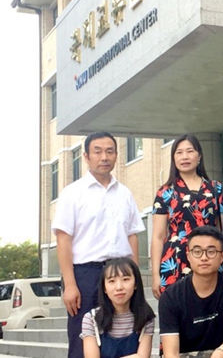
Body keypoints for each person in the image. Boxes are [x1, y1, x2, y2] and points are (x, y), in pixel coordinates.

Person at [52, 131, 145, 358]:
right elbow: (63, 240)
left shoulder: (125, 194)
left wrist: (134, 276)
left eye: (110, 151)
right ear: (86, 156)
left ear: (116, 156)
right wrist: (70, 285)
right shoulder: (72, 193)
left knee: (124, 337)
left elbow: (132, 236)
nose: (104, 157)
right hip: (86, 276)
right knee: (82, 341)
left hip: (121, 273)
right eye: (98, 152)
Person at [159, 226, 223, 358]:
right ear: (188, 256)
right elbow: (171, 353)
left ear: (222, 257)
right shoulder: (171, 296)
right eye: (197, 251)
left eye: (211, 252)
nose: (204, 257)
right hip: (186, 355)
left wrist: (221, 352)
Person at [152, 134, 223, 298]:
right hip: (175, 260)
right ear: (173, 158)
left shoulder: (215, 189)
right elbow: (158, 236)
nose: (184, 157)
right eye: (179, 152)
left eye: (190, 151)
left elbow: (222, 230)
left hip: (209, 257)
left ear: (199, 156)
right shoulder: (165, 192)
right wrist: (156, 275)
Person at [81, 257, 155, 358]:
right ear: (104, 288)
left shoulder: (145, 317)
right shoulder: (91, 319)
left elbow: (143, 356)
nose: (119, 287)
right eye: (112, 281)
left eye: (125, 279)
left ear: (136, 284)